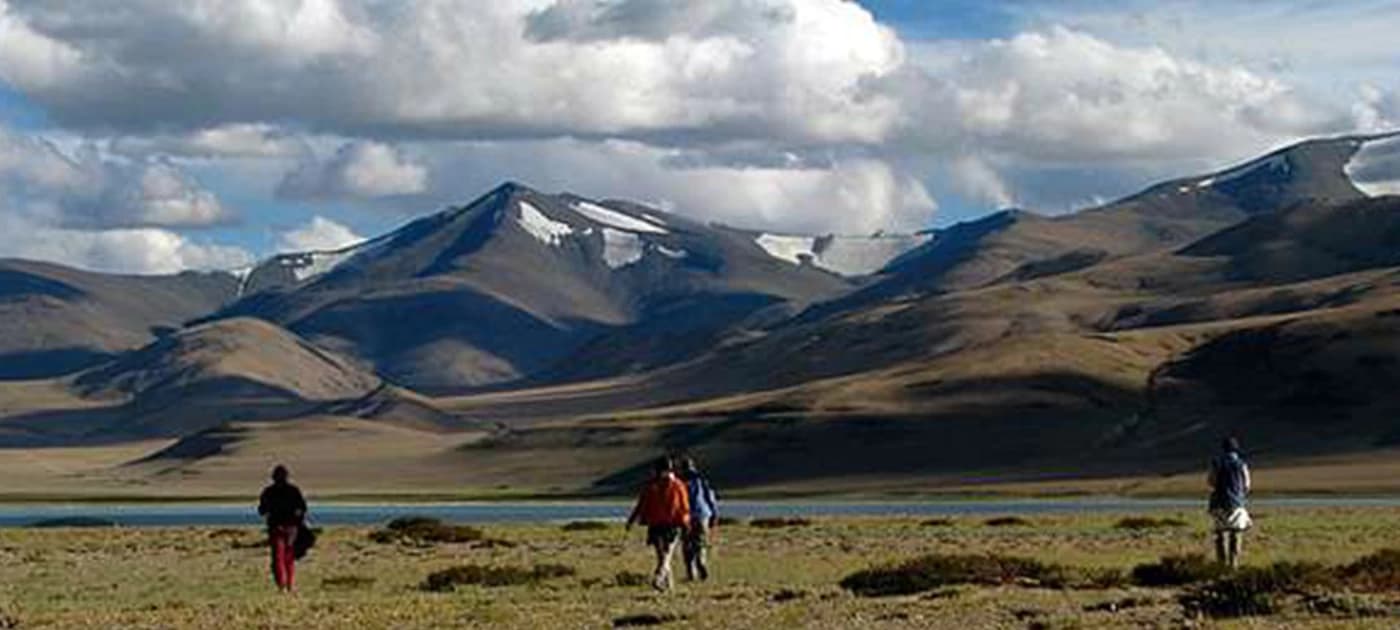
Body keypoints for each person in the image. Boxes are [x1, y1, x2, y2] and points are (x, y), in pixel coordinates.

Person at [626, 457, 691, 592]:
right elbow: (684, 507)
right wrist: (686, 523)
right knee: (666, 556)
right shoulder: (678, 485)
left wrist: (632, 520)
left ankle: (668, 586)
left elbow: (641, 505)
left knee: (663, 556)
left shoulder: (651, 486)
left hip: (656, 525)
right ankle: (659, 578)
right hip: (672, 525)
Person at [257, 464, 308, 592]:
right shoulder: (293, 490)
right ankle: (288, 585)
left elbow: (261, 510)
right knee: (288, 557)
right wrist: (298, 520)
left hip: (278, 528)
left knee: (279, 557)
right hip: (290, 528)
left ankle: (283, 585)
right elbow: (302, 508)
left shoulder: (268, 492)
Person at [1207, 437, 1252, 569]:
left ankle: (1221, 563)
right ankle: (1234, 564)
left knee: (1219, 534)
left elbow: (1211, 481)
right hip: (1236, 503)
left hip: (1218, 503)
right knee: (1236, 533)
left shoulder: (1216, 463)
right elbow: (1247, 485)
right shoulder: (1241, 464)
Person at [679, 456, 719, 581]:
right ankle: (701, 562)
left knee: (687, 545)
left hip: (687, 516)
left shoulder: (679, 482)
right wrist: (714, 514)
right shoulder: (702, 480)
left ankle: (691, 572)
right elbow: (710, 498)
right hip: (703, 515)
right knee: (700, 542)